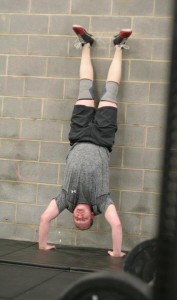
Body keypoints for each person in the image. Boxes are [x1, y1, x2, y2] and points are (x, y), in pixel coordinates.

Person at [38, 25, 132, 257]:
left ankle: (86, 44)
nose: (79, 217)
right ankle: (118, 46)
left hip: (78, 136)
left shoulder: (64, 199)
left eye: (76, 220)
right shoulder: (101, 201)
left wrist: (42, 245)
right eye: (84, 220)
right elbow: (116, 225)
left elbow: (44, 218)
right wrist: (117, 252)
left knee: (84, 86)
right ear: (92, 215)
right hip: (102, 138)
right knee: (110, 92)